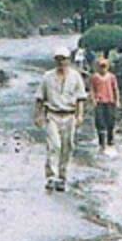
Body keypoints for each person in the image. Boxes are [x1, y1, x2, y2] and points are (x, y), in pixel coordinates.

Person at [34, 46, 88, 191]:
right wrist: (38, 115)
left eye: (63, 59)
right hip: (52, 114)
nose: (61, 62)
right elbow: (40, 97)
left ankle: (62, 175)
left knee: (67, 146)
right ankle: (51, 175)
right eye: (58, 59)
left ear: (68, 60)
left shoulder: (76, 77)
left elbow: (81, 98)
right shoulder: (47, 77)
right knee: (54, 145)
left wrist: (80, 115)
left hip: (69, 115)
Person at [90, 56, 121, 154]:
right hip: (99, 102)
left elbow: (115, 89)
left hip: (110, 101)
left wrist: (117, 100)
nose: (102, 68)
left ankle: (110, 141)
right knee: (100, 122)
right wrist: (93, 100)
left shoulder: (111, 77)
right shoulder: (95, 77)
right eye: (101, 66)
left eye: (104, 66)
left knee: (111, 121)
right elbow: (92, 89)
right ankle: (101, 143)